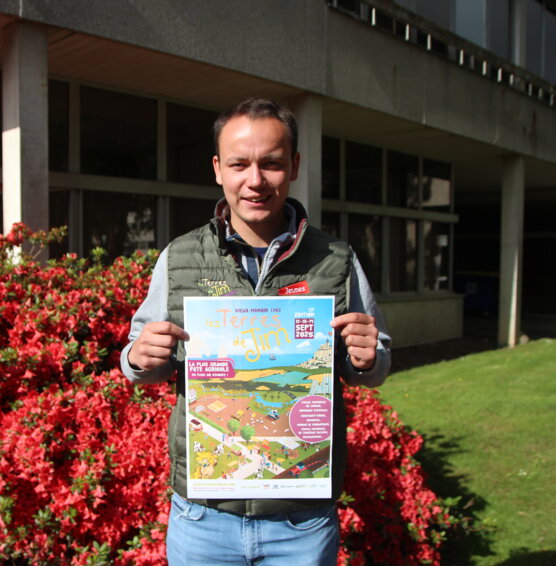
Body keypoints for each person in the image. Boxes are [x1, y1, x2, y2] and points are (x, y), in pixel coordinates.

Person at [120, 98, 391, 565]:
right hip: (203, 519)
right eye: (239, 164)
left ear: (295, 166)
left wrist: (369, 358)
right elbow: (137, 362)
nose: (255, 180)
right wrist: (139, 358)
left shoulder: (337, 260)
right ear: (217, 170)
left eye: (271, 164)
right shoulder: (178, 257)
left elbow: (372, 363)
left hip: (301, 523)